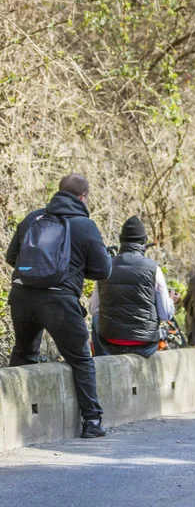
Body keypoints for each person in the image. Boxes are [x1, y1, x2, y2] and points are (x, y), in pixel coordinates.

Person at [5, 173, 112, 439]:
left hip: (21, 295)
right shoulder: (85, 226)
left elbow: (11, 258)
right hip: (59, 300)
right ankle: (92, 421)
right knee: (80, 360)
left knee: (24, 352)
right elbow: (102, 270)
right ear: (83, 197)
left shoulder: (33, 218)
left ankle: (12, 414)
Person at [89, 216, 178, 358]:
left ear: (121, 240)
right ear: (144, 242)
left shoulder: (106, 266)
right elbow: (165, 314)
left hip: (110, 344)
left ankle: (99, 363)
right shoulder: (153, 269)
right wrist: (171, 300)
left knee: (96, 319)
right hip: (145, 346)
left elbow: (93, 309)